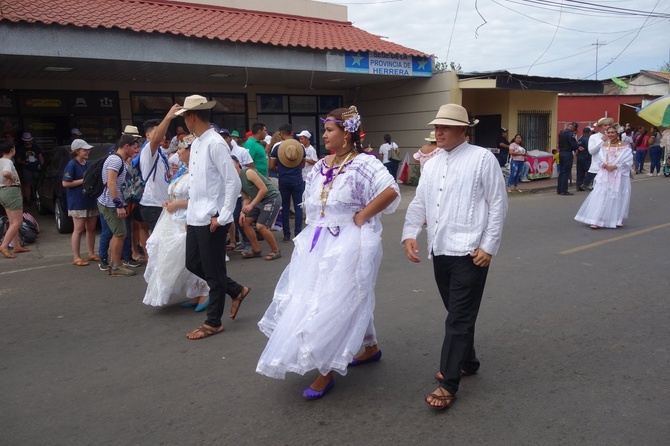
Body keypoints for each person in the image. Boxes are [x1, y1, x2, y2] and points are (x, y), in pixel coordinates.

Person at [256, 105, 400, 400]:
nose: (325, 135)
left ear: (346, 135)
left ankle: (326, 370)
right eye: (325, 130)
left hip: (351, 241)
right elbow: (312, 203)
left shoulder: (365, 163)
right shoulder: (321, 165)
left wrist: (362, 216)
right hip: (319, 240)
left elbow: (390, 191)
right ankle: (370, 347)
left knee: (333, 300)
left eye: (330, 130)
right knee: (322, 296)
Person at [401, 103, 508, 411]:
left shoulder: (482, 159)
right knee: (458, 311)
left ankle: (449, 382)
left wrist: (489, 246)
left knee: (458, 317)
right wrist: (410, 234)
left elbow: (498, 204)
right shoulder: (432, 163)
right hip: (440, 249)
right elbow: (420, 201)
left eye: (446, 127)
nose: (439, 132)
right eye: (437, 127)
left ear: (463, 130)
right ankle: (468, 360)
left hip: (471, 252)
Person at [173, 95, 249, 340]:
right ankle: (236, 289)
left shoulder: (215, 143)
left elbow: (233, 181)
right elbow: (198, 183)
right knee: (193, 263)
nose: (184, 120)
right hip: (197, 216)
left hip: (212, 217)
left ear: (192, 116)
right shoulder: (196, 143)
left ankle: (213, 322)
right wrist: (190, 213)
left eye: (185, 115)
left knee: (214, 271)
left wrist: (223, 216)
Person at [142, 135, 209, 310]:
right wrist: (169, 202)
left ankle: (205, 291)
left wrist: (177, 204)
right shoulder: (183, 170)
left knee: (192, 255)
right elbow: (175, 193)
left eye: (180, 149)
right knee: (177, 257)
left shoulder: (199, 171)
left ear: (191, 151)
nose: (177, 152)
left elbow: (202, 198)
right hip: (173, 217)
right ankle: (195, 292)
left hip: (189, 217)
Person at [575, 124, 633, 229]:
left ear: (617, 133)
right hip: (605, 173)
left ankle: (616, 219)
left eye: (612, 132)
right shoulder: (604, 145)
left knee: (617, 194)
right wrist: (605, 165)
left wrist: (616, 166)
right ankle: (597, 219)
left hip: (618, 174)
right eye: (608, 133)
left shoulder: (624, 146)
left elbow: (628, 161)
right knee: (602, 195)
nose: (610, 135)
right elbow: (600, 158)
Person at [97, 134, 139, 276]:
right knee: (120, 234)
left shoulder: (116, 159)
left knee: (118, 233)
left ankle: (115, 264)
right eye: (134, 147)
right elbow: (111, 183)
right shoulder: (115, 160)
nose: (136, 150)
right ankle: (115, 266)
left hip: (109, 203)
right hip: (110, 204)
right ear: (126, 146)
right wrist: (118, 205)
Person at [232, 155, 282, 260]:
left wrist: (251, 205)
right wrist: (242, 212)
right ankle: (256, 250)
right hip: (257, 200)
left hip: (271, 198)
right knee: (244, 222)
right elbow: (245, 198)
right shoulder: (235, 181)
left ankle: (276, 250)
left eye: (231, 163)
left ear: (237, 164)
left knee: (261, 226)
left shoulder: (248, 172)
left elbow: (263, 190)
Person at [62, 139, 100, 266]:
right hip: (77, 201)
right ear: (77, 151)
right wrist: (83, 180)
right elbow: (65, 183)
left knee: (91, 228)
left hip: (89, 199)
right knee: (78, 229)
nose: (87, 152)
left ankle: (91, 253)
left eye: (88, 150)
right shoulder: (71, 164)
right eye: (85, 150)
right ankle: (76, 256)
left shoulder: (87, 163)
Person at [269, 124, 306, 243]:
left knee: (284, 207)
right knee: (298, 207)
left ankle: (286, 234)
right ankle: (298, 233)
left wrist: (281, 171)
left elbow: (271, 166)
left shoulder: (277, 146)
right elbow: (303, 165)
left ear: (281, 133)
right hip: (297, 179)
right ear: (292, 133)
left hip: (283, 179)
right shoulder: (300, 147)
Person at [0, 138, 29, 259]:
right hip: (11, 191)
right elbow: (6, 173)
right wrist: (11, 179)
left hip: (2, 191)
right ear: (12, 149)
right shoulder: (8, 162)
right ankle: (4, 246)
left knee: (12, 222)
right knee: (18, 222)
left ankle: (16, 246)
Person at [585, 117, 614, 190]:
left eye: (609, 125)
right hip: (597, 169)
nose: (607, 127)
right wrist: (602, 140)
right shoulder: (593, 137)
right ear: (600, 127)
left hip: (610, 168)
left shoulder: (613, 137)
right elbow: (591, 151)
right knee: (598, 191)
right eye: (605, 125)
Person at [15, 132, 44, 205]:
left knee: (38, 184)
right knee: (27, 185)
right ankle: (28, 200)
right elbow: (18, 160)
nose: (28, 142)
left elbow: (40, 157)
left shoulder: (36, 147)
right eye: (26, 140)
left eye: (29, 140)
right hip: (27, 168)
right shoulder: (21, 149)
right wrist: (23, 162)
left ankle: (41, 199)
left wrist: (43, 167)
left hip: (37, 168)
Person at [557, 122, 578, 195]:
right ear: (573, 128)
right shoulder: (570, 134)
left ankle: (559, 189)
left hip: (561, 153)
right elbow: (574, 144)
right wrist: (577, 147)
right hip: (567, 153)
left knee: (562, 172)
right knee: (566, 172)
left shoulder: (561, 132)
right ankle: (564, 190)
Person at [575, 126, 592, 191]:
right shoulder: (586, 140)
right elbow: (589, 148)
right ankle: (585, 184)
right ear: (589, 132)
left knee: (580, 172)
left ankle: (579, 185)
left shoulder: (580, 139)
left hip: (579, 157)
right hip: (586, 157)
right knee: (590, 171)